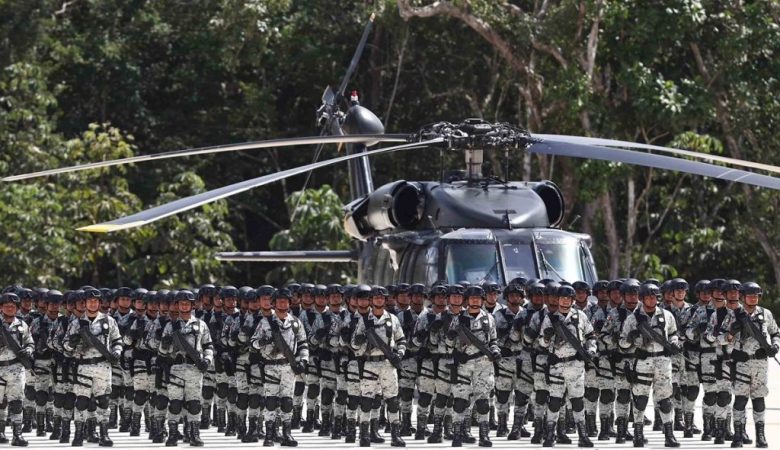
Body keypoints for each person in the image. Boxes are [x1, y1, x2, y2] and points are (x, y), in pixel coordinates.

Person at [619, 283, 680, 447]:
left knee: (665, 400)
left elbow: (674, 334)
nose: (651, 300)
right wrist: (630, 338)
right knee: (640, 400)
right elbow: (622, 344)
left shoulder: (667, 316)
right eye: (648, 297)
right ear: (642, 298)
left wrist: (674, 342)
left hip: (663, 362)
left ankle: (669, 434)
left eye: (654, 297)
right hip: (642, 362)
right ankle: (638, 434)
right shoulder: (633, 318)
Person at [63, 288, 122, 447]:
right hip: (83, 367)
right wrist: (72, 343)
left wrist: (116, 352)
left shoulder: (109, 321)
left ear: (100, 302)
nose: (93, 303)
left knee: (104, 401)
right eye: (90, 301)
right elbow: (65, 347)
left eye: (96, 301)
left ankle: (104, 434)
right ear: (85, 303)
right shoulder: (76, 323)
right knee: (81, 401)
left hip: (103, 366)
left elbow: (117, 340)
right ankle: (79, 435)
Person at [251, 287, 309, 447]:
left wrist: (303, 360)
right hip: (270, 366)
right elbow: (253, 343)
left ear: (289, 303)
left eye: (285, 301)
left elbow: (303, 344)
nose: (282, 303)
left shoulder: (296, 323)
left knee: (287, 401)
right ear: (274, 303)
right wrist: (264, 341)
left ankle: (286, 433)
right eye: (279, 301)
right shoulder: (265, 322)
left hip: (288, 367)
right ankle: (269, 434)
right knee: (270, 401)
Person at [351, 285, 407, 447]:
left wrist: (400, 354)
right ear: (371, 300)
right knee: (367, 400)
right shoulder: (364, 320)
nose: (379, 300)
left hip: (388, 364)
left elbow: (401, 340)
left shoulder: (392, 319)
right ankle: (364, 435)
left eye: (382, 298)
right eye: (376, 298)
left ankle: (395, 435)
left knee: (393, 400)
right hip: (370, 364)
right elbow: (354, 345)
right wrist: (360, 340)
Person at [445, 285, 500, 447]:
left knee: (483, 401)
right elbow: (449, 345)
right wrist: (451, 338)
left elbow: (493, 340)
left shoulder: (488, 318)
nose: (475, 301)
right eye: (472, 298)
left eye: (478, 298)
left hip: (483, 363)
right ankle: (457, 434)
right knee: (460, 401)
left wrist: (495, 350)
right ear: (467, 301)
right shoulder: (459, 318)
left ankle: (484, 435)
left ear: (482, 300)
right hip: (463, 364)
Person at [158, 289, 214, 446]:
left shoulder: (201, 324)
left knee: (194, 403)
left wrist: (208, 360)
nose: (184, 306)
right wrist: (165, 344)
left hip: (195, 368)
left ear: (192, 305)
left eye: (187, 303)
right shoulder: (170, 325)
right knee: (175, 403)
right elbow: (162, 352)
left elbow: (208, 345)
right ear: (177, 305)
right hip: (176, 368)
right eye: (181, 303)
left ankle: (194, 434)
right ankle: (173, 434)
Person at [727, 281, 778, 448]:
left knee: (759, 400)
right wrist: (732, 332)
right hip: (741, 363)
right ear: (743, 297)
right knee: (740, 400)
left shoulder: (766, 314)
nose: (753, 298)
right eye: (750, 295)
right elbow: (719, 338)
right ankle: (738, 435)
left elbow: (775, 332)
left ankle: (760, 435)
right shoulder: (734, 314)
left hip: (760, 364)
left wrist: (775, 345)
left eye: (756, 295)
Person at [0, 293, 35, 446]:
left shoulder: (22, 325)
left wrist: (28, 351)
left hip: (16, 368)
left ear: (17, 308)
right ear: (1, 307)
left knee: (17, 403)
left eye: (12, 306)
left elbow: (30, 343)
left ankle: (17, 435)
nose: (9, 308)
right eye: (6, 306)